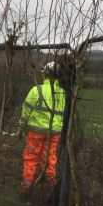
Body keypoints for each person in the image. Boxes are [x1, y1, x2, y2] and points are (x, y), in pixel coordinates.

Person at [17, 61, 66, 194]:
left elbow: (25, 113)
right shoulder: (63, 94)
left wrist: (20, 129)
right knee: (50, 160)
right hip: (54, 133)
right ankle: (50, 189)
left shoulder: (36, 90)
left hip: (35, 133)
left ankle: (26, 187)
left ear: (45, 75)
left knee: (31, 158)